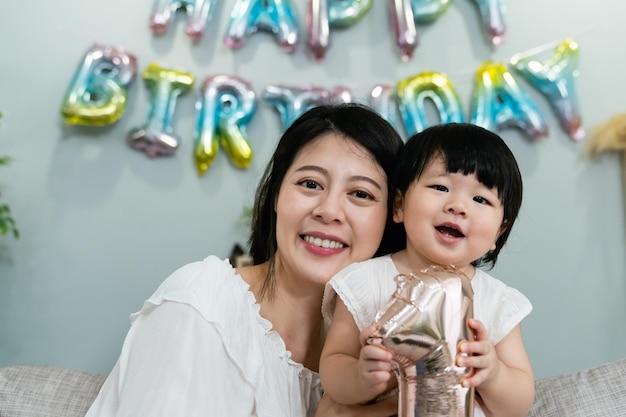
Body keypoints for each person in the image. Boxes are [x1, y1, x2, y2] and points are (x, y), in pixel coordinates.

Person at [84, 103, 405, 417]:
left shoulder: (368, 358)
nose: (329, 210)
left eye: (361, 194)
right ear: (276, 195)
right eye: (310, 184)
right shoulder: (203, 303)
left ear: (393, 216)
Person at [320, 123, 535, 417]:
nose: (458, 206)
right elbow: (332, 367)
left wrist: (494, 373)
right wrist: (360, 376)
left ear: (499, 232)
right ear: (399, 204)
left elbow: (519, 404)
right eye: (440, 187)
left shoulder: (498, 302)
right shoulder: (364, 281)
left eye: (480, 199)